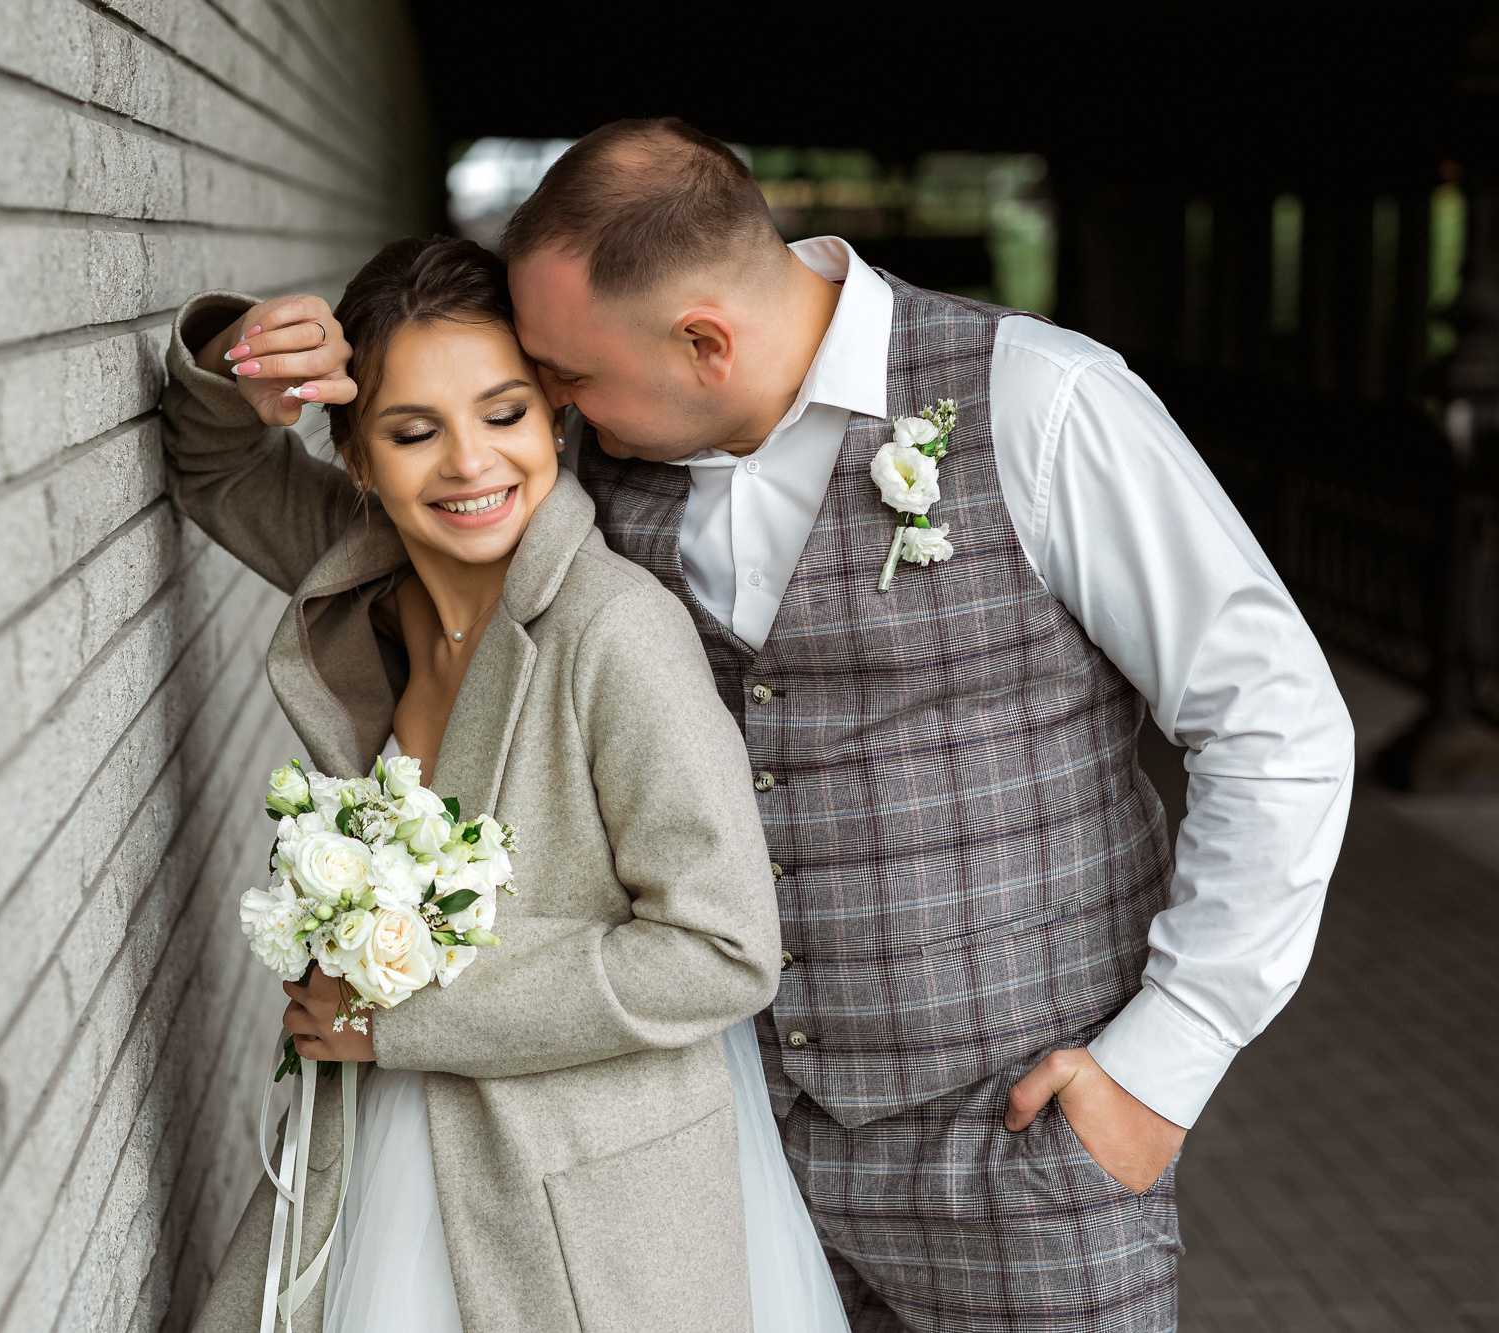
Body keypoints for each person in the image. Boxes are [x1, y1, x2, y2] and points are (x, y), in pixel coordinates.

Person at [257, 120, 1358, 1332]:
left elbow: (1273, 724)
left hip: (1021, 1152)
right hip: (735, 1159)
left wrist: (1167, 1062)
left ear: (702, 343)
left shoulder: (1040, 404)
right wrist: (264, 368)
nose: (555, 413)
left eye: (563, 381)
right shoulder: (611, 462)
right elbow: (382, 497)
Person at [165, 237, 849, 1333]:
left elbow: (720, 949)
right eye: (412, 430)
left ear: (555, 420)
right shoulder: (366, 565)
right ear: (354, 456)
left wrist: (396, 1008)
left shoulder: (615, 633)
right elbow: (214, 467)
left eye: (504, 413)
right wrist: (236, 349)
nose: (469, 464)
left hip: (573, 1196)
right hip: (389, 1140)